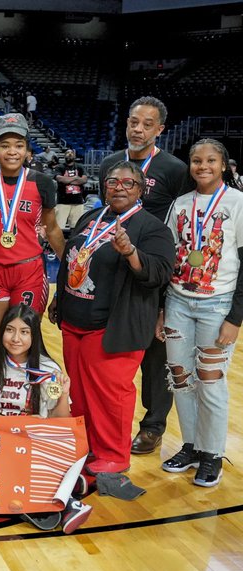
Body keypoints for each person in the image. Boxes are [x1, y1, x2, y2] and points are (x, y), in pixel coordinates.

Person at [51, 159, 176, 500]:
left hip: (112, 326)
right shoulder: (92, 217)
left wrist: (131, 252)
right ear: (104, 186)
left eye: (128, 183)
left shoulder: (152, 228)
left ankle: (113, 455)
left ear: (141, 190)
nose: (119, 187)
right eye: (113, 182)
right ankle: (88, 446)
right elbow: (73, 259)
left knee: (110, 396)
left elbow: (159, 273)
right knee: (81, 394)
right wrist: (60, 299)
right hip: (75, 322)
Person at [98, 97, 191, 456]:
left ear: (160, 130)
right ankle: (106, 421)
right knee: (109, 349)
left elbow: (184, 222)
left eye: (147, 124)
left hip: (154, 268)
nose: (138, 129)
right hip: (113, 269)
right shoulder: (109, 163)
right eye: (133, 122)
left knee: (155, 354)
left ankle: (153, 426)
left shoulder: (174, 169)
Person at [160, 137, 243, 488]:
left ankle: (212, 453)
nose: (203, 166)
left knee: (210, 382)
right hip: (177, 302)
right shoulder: (180, 204)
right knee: (181, 378)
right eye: (197, 160)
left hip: (218, 304)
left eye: (211, 160)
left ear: (223, 164)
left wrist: (235, 318)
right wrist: (161, 309)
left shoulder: (238, 202)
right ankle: (191, 446)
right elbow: (168, 257)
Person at [0, 303, 90, 534]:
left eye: (24, 332)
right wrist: (15, 426)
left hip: (33, 441)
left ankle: (64, 498)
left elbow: (60, 422)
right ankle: (64, 493)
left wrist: (64, 395)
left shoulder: (48, 369)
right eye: (10, 330)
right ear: (1, 332)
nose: (16, 338)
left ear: (34, 336)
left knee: (65, 443)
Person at [0, 114, 64, 354]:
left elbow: (52, 228)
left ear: (27, 150)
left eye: (19, 145)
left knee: (23, 347)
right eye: (5, 145)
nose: (12, 152)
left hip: (29, 272)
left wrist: (69, 267)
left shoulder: (43, 183)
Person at [54, 149, 88, 232]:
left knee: (76, 228)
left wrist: (67, 180)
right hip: (63, 202)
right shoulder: (59, 167)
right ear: (64, 156)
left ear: (75, 156)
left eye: (71, 153)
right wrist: (76, 178)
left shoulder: (80, 167)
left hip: (78, 202)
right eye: (67, 153)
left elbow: (84, 180)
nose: (69, 154)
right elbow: (60, 179)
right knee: (59, 227)